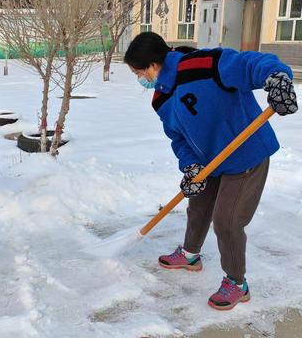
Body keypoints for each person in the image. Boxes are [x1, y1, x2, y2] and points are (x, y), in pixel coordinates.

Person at [124, 32, 298, 310]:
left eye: (138, 72)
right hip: (210, 161)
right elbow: (178, 138)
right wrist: (190, 165)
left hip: (246, 154)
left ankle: (237, 283)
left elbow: (251, 64)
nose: (140, 79)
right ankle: (190, 254)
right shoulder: (161, 99)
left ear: (154, 64)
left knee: (227, 221)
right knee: (198, 206)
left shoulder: (205, 64)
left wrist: (277, 77)